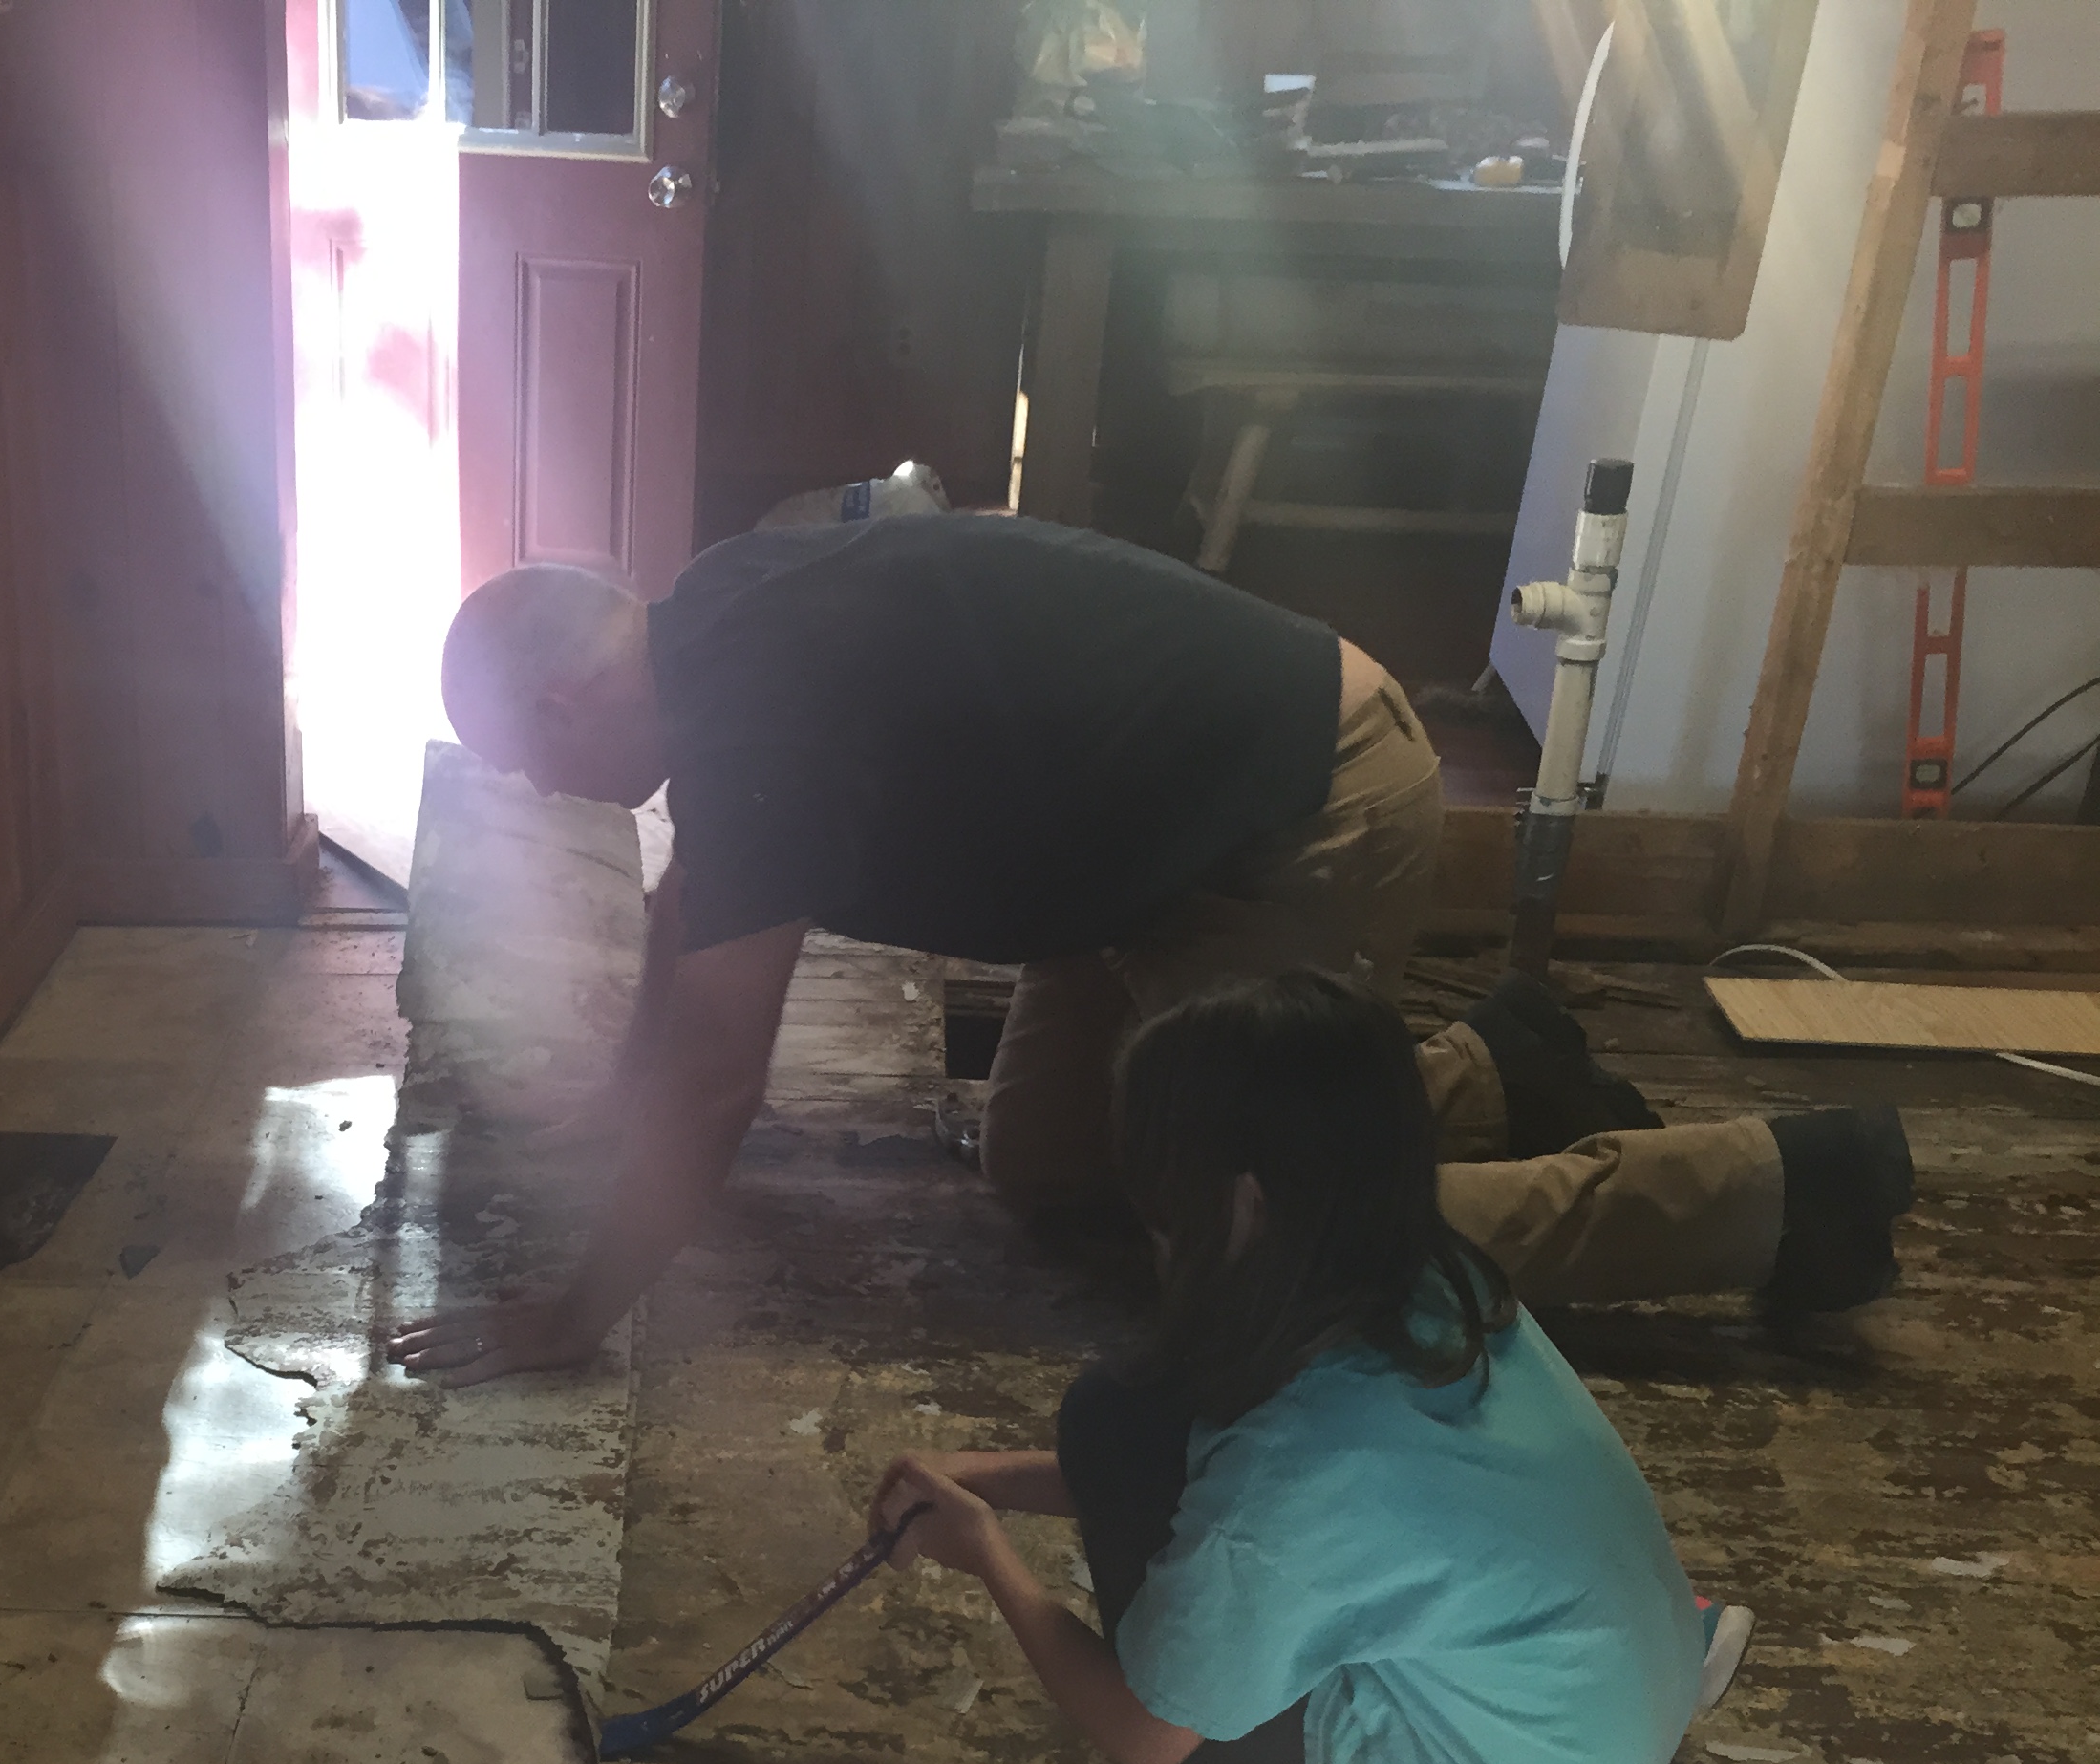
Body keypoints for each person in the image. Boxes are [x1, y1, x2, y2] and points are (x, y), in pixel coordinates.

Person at [388, 518, 1911, 1387]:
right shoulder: (709, 624)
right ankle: (1498, 1066)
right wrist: (612, 1102)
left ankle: (1787, 1191)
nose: (536, 790)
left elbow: (719, 1083)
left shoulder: (750, 723)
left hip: (1298, 805)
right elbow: (690, 919)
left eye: (519, 760)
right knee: (1045, 1167)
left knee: (1261, 1256)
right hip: (1142, 859)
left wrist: (572, 1322)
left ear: (567, 704)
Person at [868, 972, 1747, 1764]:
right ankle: (1621, 1651)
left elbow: (1145, 1731)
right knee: (1139, 1424)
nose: (1154, 1240)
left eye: (1161, 1211)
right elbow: (1193, 1483)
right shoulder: (1433, 1279)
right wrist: (986, 1478)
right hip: (1608, 1695)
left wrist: (986, 1552)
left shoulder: (1297, 1473)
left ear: (1243, 1205)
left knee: (1127, 1436)